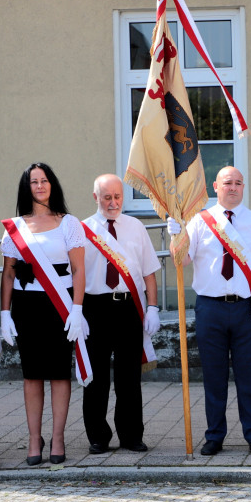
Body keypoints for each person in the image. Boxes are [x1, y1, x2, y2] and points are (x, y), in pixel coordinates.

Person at [167, 166, 251, 456]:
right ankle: (214, 436)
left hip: (247, 309)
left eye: (237, 183)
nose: (232, 187)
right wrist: (175, 236)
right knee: (214, 376)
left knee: (250, 376)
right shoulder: (198, 222)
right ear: (215, 186)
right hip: (210, 308)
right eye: (227, 183)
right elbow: (181, 262)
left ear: (243, 187)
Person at [0, 162, 88, 465]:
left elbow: (78, 269)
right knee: (32, 375)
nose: (39, 186)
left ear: (53, 185)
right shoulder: (15, 226)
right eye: (34, 181)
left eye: (44, 180)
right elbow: (9, 274)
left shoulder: (69, 223)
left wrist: (77, 308)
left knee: (60, 374)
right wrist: (5, 313)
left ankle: (58, 438)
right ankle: (34, 439)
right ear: (27, 187)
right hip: (27, 307)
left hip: (60, 305)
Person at [80, 173, 161, 454]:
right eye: (107, 197)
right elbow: (76, 275)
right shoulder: (82, 230)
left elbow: (149, 271)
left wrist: (152, 307)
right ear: (95, 198)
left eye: (117, 197)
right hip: (94, 308)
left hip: (128, 307)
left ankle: (130, 435)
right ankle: (98, 436)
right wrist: (76, 312)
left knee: (129, 377)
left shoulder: (136, 226)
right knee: (96, 377)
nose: (113, 202)